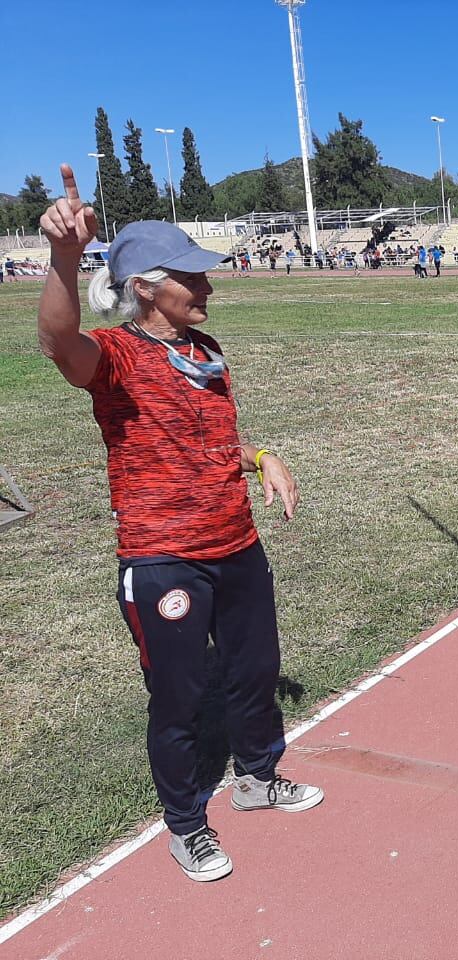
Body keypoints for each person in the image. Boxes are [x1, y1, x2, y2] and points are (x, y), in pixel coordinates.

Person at [35, 165, 324, 884]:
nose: (208, 289)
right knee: (181, 696)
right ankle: (186, 824)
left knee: (254, 670)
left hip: (237, 546)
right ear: (145, 286)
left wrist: (261, 455)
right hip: (165, 558)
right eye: (191, 278)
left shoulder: (208, 352)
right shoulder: (117, 356)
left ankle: (258, 779)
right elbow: (58, 343)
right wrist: (66, 260)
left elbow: (215, 436)